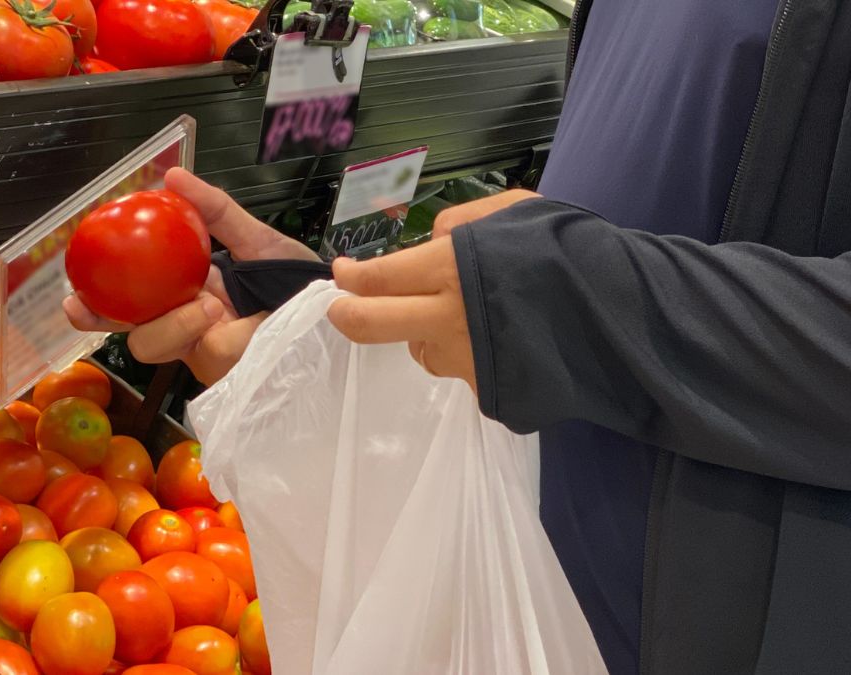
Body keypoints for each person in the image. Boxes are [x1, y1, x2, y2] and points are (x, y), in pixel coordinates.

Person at [68, 1, 851, 672]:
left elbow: (597, 283)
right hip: (532, 574)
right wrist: (328, 313)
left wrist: (566, 294)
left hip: (715, 626)